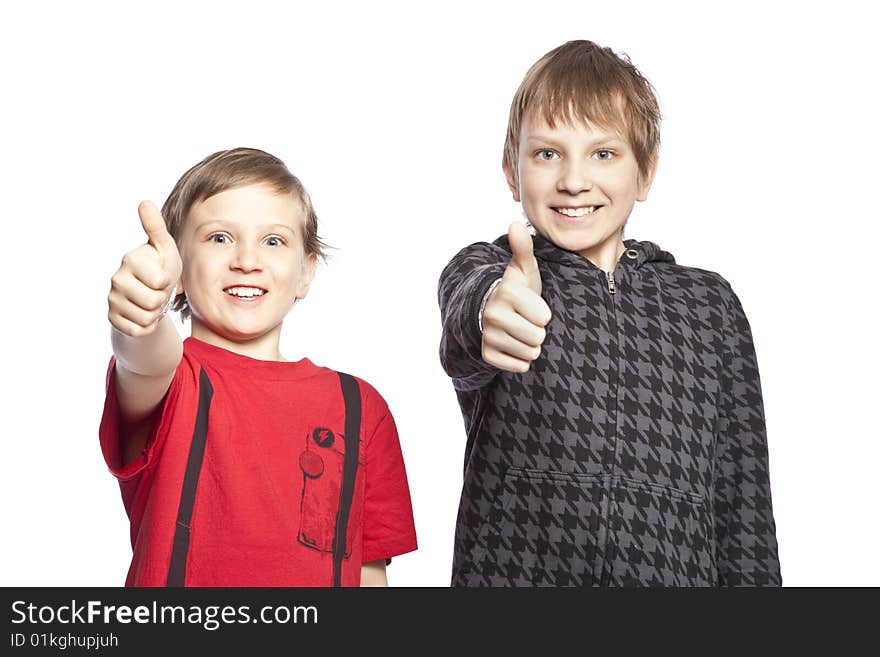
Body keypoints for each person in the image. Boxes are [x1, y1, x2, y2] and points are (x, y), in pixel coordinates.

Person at [438, 40, 781, 586]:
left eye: (603, 154)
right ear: (511, 170)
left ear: (645, 173)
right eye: (547, 153)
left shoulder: (711, 307)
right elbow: (464, 320)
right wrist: (490, 311)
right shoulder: (496, 272)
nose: (574, 180)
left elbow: (744, 507)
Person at [100, 147, 417, 586]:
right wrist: (139, 318)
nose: (246, 261)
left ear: (306, 273)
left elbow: (369, 574)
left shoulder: (360, 407)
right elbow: (142, 360)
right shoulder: (174, 380)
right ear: (176, 268)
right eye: (218, 238)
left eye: (273, 241)